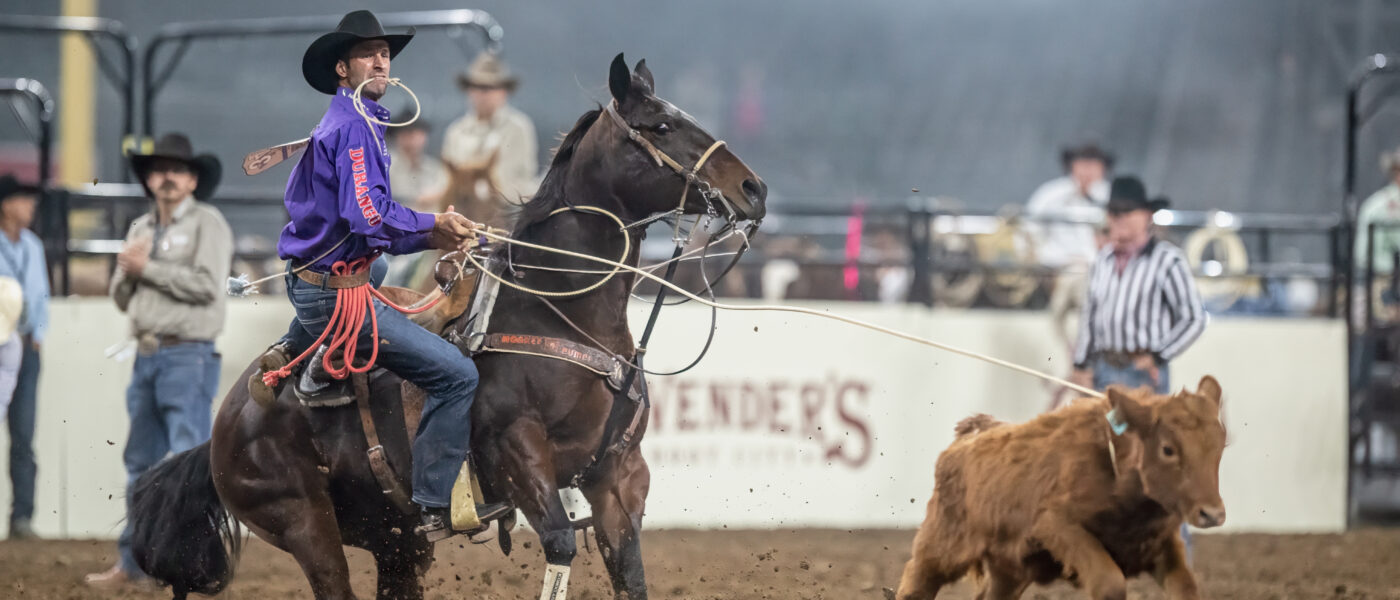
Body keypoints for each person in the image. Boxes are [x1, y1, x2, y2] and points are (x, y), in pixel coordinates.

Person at [249, 10, 506, 541]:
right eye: (369, 53)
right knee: (457, 375)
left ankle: (295, 343)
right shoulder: (357, 129)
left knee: (384, 263)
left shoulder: (353, 120)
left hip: (316, 275)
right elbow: (368, 218)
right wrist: (434, 225)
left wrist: (437, 233)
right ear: (344, 68)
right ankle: (436, 504)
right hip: (337, 296)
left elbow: (372, 227)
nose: (381, 59)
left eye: (384, 53)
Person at [87, 133, 232, 587]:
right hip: (150, 354)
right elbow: (120, 295)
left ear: (191, 180)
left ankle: (184, 564)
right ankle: (135, 563)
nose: (167, 177)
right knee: (141, 462)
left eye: (177, 170)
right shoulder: (140, 229)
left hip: (187, 354)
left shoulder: (209, 223)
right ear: (151, 180)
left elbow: (209, 285)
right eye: (160, 170)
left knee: (184, 458)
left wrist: (144, 269)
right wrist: (129, 272)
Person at [1070, 176, 1206, 394]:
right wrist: (1081, 366)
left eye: (1127, 212)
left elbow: (1194, 318)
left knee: (1141, 428)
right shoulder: (1102, 261)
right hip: (1104, 369)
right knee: (1105, 427)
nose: (1119, 218)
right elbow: (1090, 317)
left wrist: (1159, 356)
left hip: (1143, 372)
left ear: (1147, 216)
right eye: (1114, 213)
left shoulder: (1168, 261)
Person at [0, 174, 47, 540]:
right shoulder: (27, 245)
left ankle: (22, 516)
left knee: (23, 434)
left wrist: (38, 336)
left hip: (26, 345)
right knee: (21, 433)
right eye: (23, 200)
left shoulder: (33, 245)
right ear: (6, 205)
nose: (30, 206)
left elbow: (41, 296)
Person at [441, 52, 539, 204]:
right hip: (462, 207)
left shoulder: (518, 127)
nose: (483, 94)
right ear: (469, 90)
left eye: (490, 87)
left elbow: (514, 177)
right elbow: (446, 178)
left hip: (506, 209)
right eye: (477, 87)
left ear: (504, 91)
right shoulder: (456, 130)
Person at [1025, 141, 1114, 270]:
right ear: (1071, 166)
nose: (1088, 171)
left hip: (1103, 267)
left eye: (1093, 166)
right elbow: (1030, 230)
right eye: (1083, 165)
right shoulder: (1051, 194)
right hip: (1056, 268)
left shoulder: (1112, 197)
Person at [384, 117, 449, 288]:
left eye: (417, 133)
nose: (413, 139)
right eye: (407, 133)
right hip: (398, 235)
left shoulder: (434, 168)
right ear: (398, 136)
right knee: (396, 271)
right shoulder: (386, 166)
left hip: (432, 233)